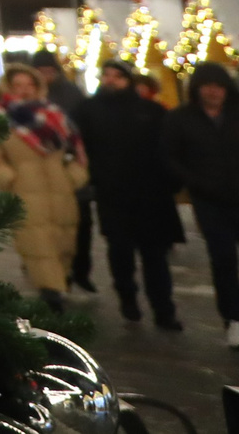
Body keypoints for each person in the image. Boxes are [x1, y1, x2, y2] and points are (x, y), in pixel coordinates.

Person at [77, 59, 185, 329]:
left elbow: (169, 151)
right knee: (120, 254)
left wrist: (172, 183)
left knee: (155, 258)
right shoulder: (88, 111)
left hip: (152, 197)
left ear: (130, 80)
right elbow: (81, 150)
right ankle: (129, 300)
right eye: (107, 75)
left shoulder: (153, 111)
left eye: (118, 76)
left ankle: (164, 310)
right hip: (113, 196)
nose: (111, 80)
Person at [0, 66, 90, 310]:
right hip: (26, 193)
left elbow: (77, 152)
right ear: (8, 87)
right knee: (38, 248)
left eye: (29, 84)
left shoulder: (56, 116)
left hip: (61, 193)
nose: (24, 90)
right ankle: (51, 297)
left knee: (64, 244)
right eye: (18, 85)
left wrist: (74, 177)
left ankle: (59, 287)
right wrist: (10, 178)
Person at [165, 60, 239, 348]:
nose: (214, 92)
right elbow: (170, 156)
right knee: (223, 260)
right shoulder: (181, 119)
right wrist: (193, 181)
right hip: (209, 200)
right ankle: (233, 318)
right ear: (197, 89)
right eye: (208, 86)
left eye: (219, 86)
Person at [30, 51, 98, 292]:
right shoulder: (28, 97)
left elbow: (84, 131)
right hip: (39, 175)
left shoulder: (71, 94)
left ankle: (81, 270)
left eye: (49, 70)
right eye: (40, 71)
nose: (45, 75)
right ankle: (57, 279)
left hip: (70, 169)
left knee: (81, 224)